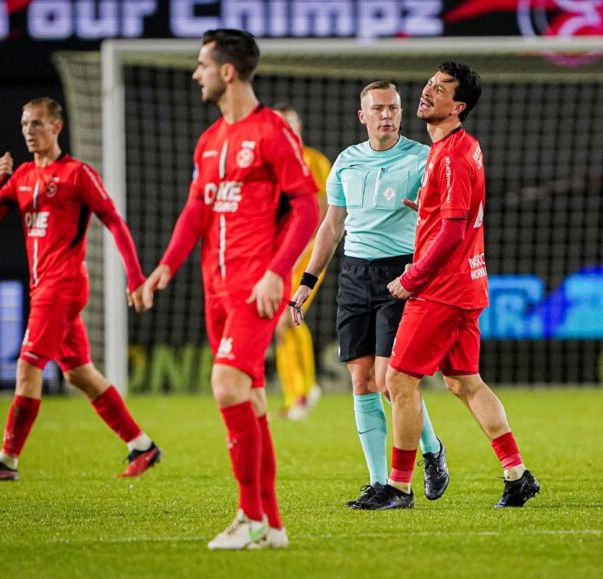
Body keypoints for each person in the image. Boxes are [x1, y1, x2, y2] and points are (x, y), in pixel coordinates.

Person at [132, 29, 319, 549]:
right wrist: (166, 266)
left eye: (202, 64)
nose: (197, 74)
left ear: (228, 71)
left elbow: (307, 207)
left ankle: (248, 515)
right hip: (214, 288)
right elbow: (197, 209)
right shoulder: (210, 139)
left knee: (226, 386)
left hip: (255, 286)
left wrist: (277, 272)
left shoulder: (272, 131)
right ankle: (272, 526)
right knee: (253, 397)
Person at [356, 63, 539, 510]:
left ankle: (398, 488)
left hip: (443, 288)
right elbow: (456, 215)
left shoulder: (453, 154)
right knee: (464, 382)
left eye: (440, 90)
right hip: (468, 283)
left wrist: (411, 278)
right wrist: (428, 209)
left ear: (458, 107)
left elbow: (454, 232)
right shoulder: (458, 149)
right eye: (430, 84)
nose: (428, 92)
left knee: (397, 380)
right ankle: (517, 474)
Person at [0, 97, 161, 482]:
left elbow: (115, 223)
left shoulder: (76, 174)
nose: (29, 131)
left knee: (28, 366)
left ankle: (7, 460)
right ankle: (142, 445)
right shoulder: (20, 176)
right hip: (43, 288)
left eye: (37, 124)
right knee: (79, 374)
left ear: (57, 127)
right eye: (24, 124)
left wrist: (135, 276)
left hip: (64, 285)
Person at [289, 81, 450, 508]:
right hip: (354, 276)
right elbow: (331, 226)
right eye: (377, 108)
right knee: (361, 380)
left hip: (400, 273)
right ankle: (382, 480)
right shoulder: (346, 162)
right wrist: (307, 280)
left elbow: (446, 220)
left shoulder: (423, 159)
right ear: (362, 116)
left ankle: (426, 457)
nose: (386, 115)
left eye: (393, 108)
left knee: (388, 380)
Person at [272, 103, 330, 421]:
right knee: (277, 322)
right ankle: (295, 394)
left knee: (288, 315)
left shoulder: (314, 160)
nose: (287, 129)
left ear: (300, 126)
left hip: (306, 253)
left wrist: (304, 251)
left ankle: (306, 390)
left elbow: (323, 211)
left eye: (290, 123)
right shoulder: (269, 163)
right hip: (278, 255)